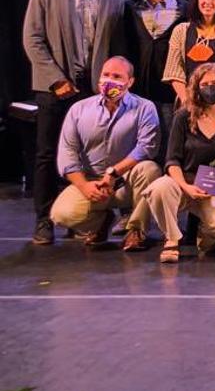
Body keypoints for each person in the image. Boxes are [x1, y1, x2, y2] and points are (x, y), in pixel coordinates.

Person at [23, 0, 127, 245]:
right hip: (54, 87)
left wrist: (106, 84)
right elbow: (33, 40)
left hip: (94, 90)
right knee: (47, 153)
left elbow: (115, 49)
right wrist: (56, 79)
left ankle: (81, 218)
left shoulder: (114, 1)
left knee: (87, 154)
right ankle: (44, 220)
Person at [49, 56, 161, 249]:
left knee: (150, 169)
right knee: (60, 214)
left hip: (126, 182)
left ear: (130, 81)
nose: (109, 80)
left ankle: (136, 230)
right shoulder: (79, 109)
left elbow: (147, 147)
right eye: (105, 75)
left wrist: (113, 173)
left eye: (117, 76)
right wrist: (84, 186)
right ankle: (101, 222)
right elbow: (67, 154)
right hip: (93, 182)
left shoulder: (145, 107)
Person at [140, 63, 215, 263]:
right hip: (183, 183)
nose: (210, 88)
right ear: (196, 88)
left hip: (214, 189)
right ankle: (171, 239)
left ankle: (205, 236)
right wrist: (185, 186)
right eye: (204, 84)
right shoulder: (183, 116)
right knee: (158, 189)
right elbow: (172, 160)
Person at [124, 0, 184, 163]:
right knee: (136, 144)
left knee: (166, 144)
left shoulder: (185, 10)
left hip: (168, 92)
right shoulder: (128, 7)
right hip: (137, 91)